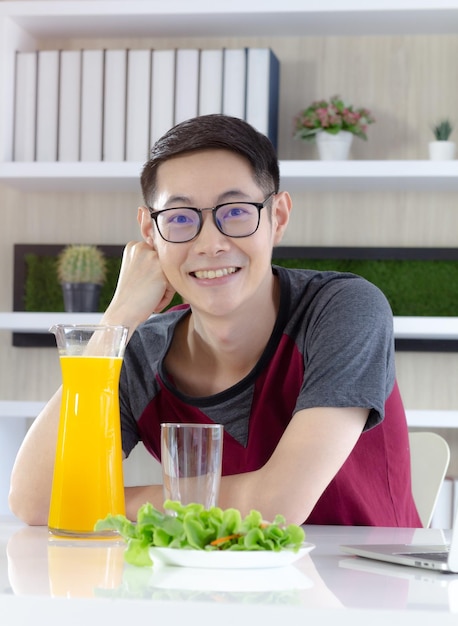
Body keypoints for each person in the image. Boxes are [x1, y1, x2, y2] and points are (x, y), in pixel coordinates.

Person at [9, 114, 421, 528]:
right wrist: (118, 317)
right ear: (149, 233)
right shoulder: (139, 351)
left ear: (277, 216)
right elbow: (33, 500)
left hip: (364, 584)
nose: (210, 243)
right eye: (180, 218)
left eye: (236, 211)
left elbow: (277, 505)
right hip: (207, 589)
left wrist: (94, 499)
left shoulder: (342, 309)